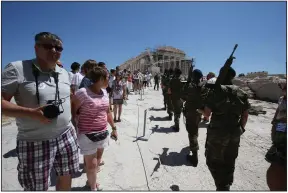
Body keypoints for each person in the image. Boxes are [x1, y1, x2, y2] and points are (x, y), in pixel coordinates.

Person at [2, 32, 79, 191]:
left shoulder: (63, 73)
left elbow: (68, 97)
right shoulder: (17, 69)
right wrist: (31, 113)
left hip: (66, 134)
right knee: (36, 187)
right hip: (34, 140)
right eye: (48, 46)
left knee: (66, 176)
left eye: (58, 47)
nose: (54, 50)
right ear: (36, 48)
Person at [202, 67, 250, 191]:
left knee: (213, 160)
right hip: (234, 132)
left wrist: (199, 109)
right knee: (230, 159)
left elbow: (207, 114)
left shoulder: (215, 91)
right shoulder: (241, 93)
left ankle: (222, 186)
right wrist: (240, 129)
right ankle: (227, 183)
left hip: (217, 133)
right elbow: (245, 115)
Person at [71, 66, 117, 191]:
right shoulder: (82, 93)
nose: (109, 80)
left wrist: (114, 128)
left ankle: (91, 181)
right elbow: (73, 112)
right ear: (101, 79)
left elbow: (107, 112)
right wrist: (74, 129)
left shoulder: (105, 93)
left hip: (102, 133)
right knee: (91, 165)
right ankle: (93, 188)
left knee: (97, 162)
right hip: (87, 134)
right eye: (107, 78)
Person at [265, 82, 287, 191]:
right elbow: (278, 111)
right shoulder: (282, 99)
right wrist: (274, 122)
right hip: (281, 129)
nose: (284, 89)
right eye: (284, 87)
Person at [181, 69, 204, 167]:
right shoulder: (203, 86)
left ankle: (194, 157)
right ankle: (193, 145)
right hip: (199, 113)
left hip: (190, 113)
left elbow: (182, 97)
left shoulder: (189, 86)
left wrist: (188, 81)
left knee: (192, 133)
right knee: (195, 129)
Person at [168, 68, 183, 132]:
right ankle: (177, 123)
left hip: (174, 98)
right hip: (182, 99)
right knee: (179, 111)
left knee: (176, 112)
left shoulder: (172, 80)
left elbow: (169, 91)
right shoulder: (183, 80)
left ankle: (177, 127)